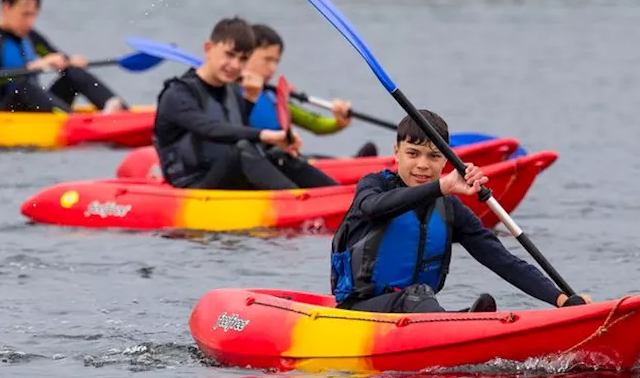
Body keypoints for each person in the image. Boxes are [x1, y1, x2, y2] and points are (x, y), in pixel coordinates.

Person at [330, 110, 591, 313]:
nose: (422, 165)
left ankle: (465, 319)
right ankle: (453, 322)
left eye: (433, 156)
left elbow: (501, 259)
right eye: (413, 153)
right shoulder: (373, 186)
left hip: (413, 312)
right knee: (417, 295)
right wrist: (442, 185)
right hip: (358, 312)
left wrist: (561, 299)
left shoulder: (448, 208)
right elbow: (375, 207)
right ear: (396, 153)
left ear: (445, 160)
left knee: (424, 298)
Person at [153, 16, 341, 190]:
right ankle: (299, 202)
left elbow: (239, 129)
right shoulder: (177, 94)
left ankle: (342, 198)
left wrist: (281, 140)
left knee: (277, 154)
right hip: (193, 186)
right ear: (208, 48)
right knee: (241, 149)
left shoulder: (233, 91)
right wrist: (265, 135)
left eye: (243, 59)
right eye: (229, 55)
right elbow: (210, 129)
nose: (235, 65)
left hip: (228, 178)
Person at [0, 0, 128, 113]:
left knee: (73, 73)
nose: (30, 22)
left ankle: (118, 110)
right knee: (24, 87)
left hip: (33, 104)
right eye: (25, 15)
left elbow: (55, 56)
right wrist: (32, 67)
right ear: (6, 7)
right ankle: (76, 122)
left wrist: (69, 61)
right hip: (1, 110)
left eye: (33, 15)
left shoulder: (29, 36)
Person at [242, 23, 378, 158]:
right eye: (267, 60)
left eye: (276, 62)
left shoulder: (272, 96)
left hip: (286, 160)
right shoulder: (230, 93)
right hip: (260, 161)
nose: (273, 68)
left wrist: (338, 122)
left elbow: (314, 124)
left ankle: (354, 164)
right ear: (245, 56)